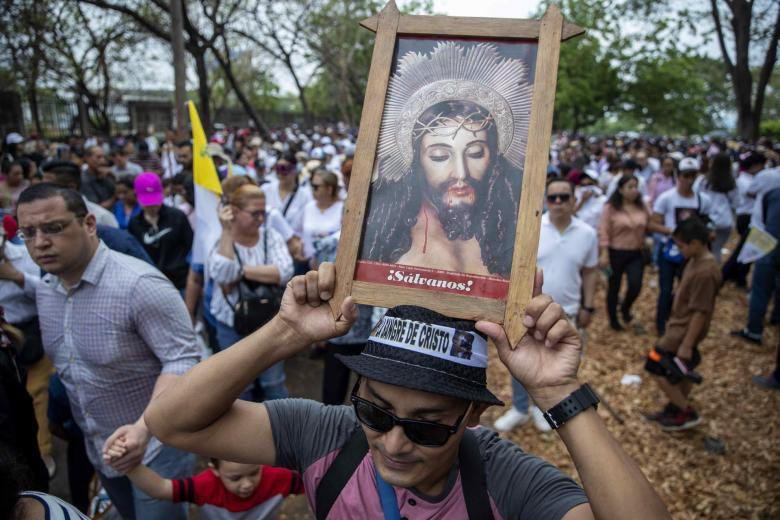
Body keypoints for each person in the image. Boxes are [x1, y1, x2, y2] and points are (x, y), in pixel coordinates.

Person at [141, 263, 670, 519]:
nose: (393, 444)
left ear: (471, 419)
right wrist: (285, 333)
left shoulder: (503, 479)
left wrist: (558, 392)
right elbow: (173, 422)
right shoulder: (330, 434)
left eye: (426, 425)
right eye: (375, 410)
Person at [16, 183, 200, 519]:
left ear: (88, 224)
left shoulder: (140, 285)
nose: (40, 242)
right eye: (28, 232)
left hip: (158, 449)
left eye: (54, 228)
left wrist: (143, 429)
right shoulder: (46, 290)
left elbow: (184, 358)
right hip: (100, 451)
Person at [361, 43, 532, 278]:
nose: (460, 172)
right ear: (415, 161)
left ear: (493, 159)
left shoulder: (510, 233)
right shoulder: (383, 235)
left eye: (475, 153)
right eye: (440, 156)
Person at [494, 179, 598, 432]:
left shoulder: (588, 234)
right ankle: (520, 408)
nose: (559, 202)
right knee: (521, 358)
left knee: (556, 363)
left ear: (574, 199)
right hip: (530, 310)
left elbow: (591, 272)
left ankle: (544, 409)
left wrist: (589, 306)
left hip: (568, 311)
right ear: (546, 200)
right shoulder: (533, 228)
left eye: (564, 196)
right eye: (553, 198)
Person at [208, 184, 293, 401]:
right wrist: (227, 231)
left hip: (268, 322)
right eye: (254, 214)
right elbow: (222, 275)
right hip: (231, 324)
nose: (261, 219)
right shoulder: (219, 239)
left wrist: (241, 271)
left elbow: (283, 271)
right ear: (234, 212)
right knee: (237, 386)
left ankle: (282, 429)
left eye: (263, 213)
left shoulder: (270, 236)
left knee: (273, 382)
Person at [643, 218, 721, 430]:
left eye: (681, 246)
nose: (679, 250)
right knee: (681, 371)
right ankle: (676, 407)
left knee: (655, 363)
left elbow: (700, 312)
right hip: (678, 328)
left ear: (695, 243)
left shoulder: (706, 271)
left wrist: (687, 344)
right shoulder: (696, 261)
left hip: (681, 334)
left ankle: (685, 410)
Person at [0, 215, 56, 478]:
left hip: (31, 335)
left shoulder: (24, 256)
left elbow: (49, 292)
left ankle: (42, 453)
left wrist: (17, 277)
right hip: (5, 342)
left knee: (37, 394)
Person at [102, 447, 303, 520]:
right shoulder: (205, 486)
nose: (247, 484)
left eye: (254, 473)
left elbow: (317, 484)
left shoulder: (279, 478)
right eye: (235, 478)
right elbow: (162, 489)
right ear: (214, 469)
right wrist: (130, 466)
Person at [651, 157, 712, 336]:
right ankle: (661, 324)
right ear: (679, 176)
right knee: (666, 289)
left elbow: (708, 223)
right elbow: (653, 223)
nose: (689, 180)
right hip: (669, 252)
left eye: (693, 175)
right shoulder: (666, 198)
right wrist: (673, 232)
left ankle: (679, 322)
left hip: (691, 255)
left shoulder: (703, 200)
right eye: (686, 175)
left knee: (685, 291)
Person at [598, 175, 656, 331]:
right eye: (630, 187)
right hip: (616, 252)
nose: (634, 190)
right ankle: (614, 320)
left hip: (636, 252)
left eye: (636, 187)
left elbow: (650, 223)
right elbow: (604, 230)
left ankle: (625, 307)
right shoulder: (610, 208)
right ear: (621, 189)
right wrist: (604, 253)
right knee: (614, 288)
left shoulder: (642, 206)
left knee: (635, 285)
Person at [731, 187, 780, 346]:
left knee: (760, 289)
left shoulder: (773, 193)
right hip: (769, 244)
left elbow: (763, 219)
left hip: (768, 244)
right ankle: (775, 317)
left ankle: (754, 330)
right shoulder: (772, 193)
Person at [128, 173, 193, 291]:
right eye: (147, 203)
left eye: (155, 201)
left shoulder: (177, 217)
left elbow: (190, 246)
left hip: (180, 282)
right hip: (150, 284)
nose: (152, 206)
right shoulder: (135, 224)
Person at [722, 151, 766, 287]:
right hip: (746, 217)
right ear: (754, 166)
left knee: (746, 250)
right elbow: (755, 195)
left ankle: (737, 277)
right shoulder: (744, 180)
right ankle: (726, 276)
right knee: (743, 250)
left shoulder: (751, 179)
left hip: (749, 217)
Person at [694, 152, 736, 263]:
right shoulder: (732, 183)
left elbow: (695, 196)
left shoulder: (703, 181)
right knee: (717, 249)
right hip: (725, 221)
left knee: (706, 249)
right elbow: (736, 203)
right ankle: (714, 272)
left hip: (707, 220)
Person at [301, 169, 343, 267]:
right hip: (307, 264)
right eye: (311, 186)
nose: (312, 190)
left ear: (329, 189)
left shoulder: (342, 208)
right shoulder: (308, 207)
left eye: (316, 187)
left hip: (331, 265)